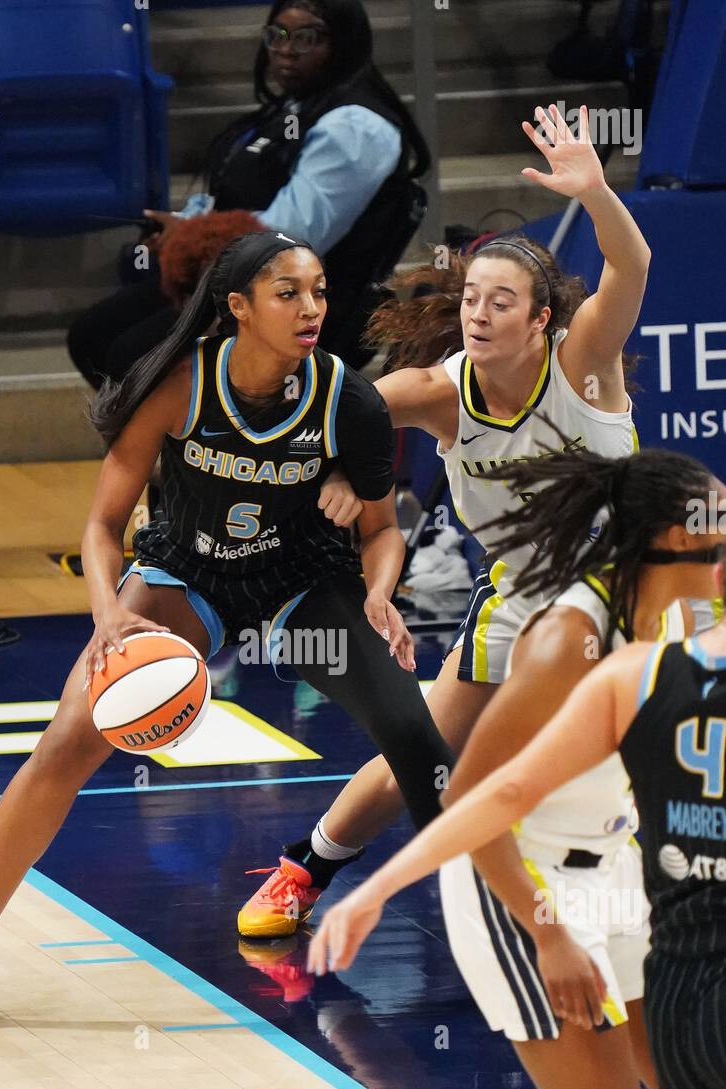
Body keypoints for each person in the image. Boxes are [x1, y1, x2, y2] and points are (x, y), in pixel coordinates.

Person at [0, 230, 452, 1039]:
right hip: (188, 575)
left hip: (303, 582)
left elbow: (382, 529)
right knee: (68, 741)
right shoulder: (181, 388)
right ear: (239, 307)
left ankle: (508, 938)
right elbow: (104, 522)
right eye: (289, 292)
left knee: (412, 735)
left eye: (319, 291)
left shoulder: (347, 399)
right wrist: (110, 611)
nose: (312, 307)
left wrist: (381, 594)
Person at [308, 447, 726, 1089]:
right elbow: (473, 798)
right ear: (669, 538)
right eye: (716, 524)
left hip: (619, 872)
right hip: (518, 884)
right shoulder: (569, 638)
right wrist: (550, 933)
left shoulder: (683, 615)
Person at [239, 100, 652, 936]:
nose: (479, 312)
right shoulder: (437, 395)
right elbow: (324, 417)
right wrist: (336, 479)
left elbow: (630, 264)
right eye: (474, 298)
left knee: (663, 756)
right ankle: (303, 868)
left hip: (634, 595)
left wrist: (599, 192)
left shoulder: (584, 360)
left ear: (543, 320)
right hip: (527, 601)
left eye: (504, 302)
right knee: (417, 754)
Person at [67, 0, 430, 386]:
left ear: (345, 43)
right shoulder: (292, 108)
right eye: (277, 36)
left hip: (297, 301)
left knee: (132, 355)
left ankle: (199, 438)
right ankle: (169, 439)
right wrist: (182, 227)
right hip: (234, 280)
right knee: (92, 337)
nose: (287, 50)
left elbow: (288, 240)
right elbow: (232, 199)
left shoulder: (356, 126)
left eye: (309, 38)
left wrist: (192, 240)